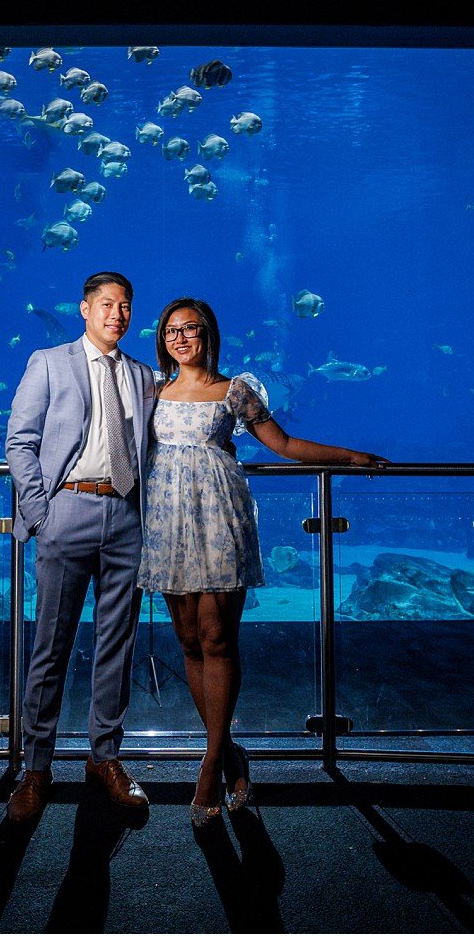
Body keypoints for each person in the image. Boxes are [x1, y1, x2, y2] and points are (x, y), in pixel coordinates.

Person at [138, 297, 387, 827]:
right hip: (167, 522)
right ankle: (230, 754)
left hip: (219, 517)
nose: (181, 338)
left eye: (192, 329)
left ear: (209, 334)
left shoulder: (235, 390)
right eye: (172, 331)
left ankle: (208, 765)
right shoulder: (152, 392)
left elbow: (285, 442)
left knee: (218, 638)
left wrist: (351, 457)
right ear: (161, 338)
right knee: (186, 639)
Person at [3, 271, 157, 823]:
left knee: (117, 643)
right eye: (108, 304)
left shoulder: (143, 375)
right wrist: (42, 514)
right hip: (64, 510)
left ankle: (105, 758)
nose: (118, 314)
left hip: (126, 518)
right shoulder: (49, 362)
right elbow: (18, 440)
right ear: (84, 309)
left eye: (126, 306)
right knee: (52, 646)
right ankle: (37, 768)